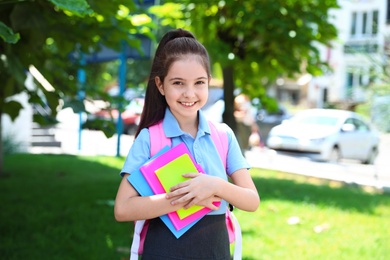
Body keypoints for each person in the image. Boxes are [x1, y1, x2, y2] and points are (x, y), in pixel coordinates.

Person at [114, 28, 260, 259]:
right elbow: (123, 209)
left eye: (199, 82)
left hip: (215, 250)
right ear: (161, 85)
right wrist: (187, 197)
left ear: (209, 83)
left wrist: (214, 186)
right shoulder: (150, 138)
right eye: (178, 83)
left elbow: (251, 200)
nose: (189, 93)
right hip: (163, 250)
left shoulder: (223, 135)